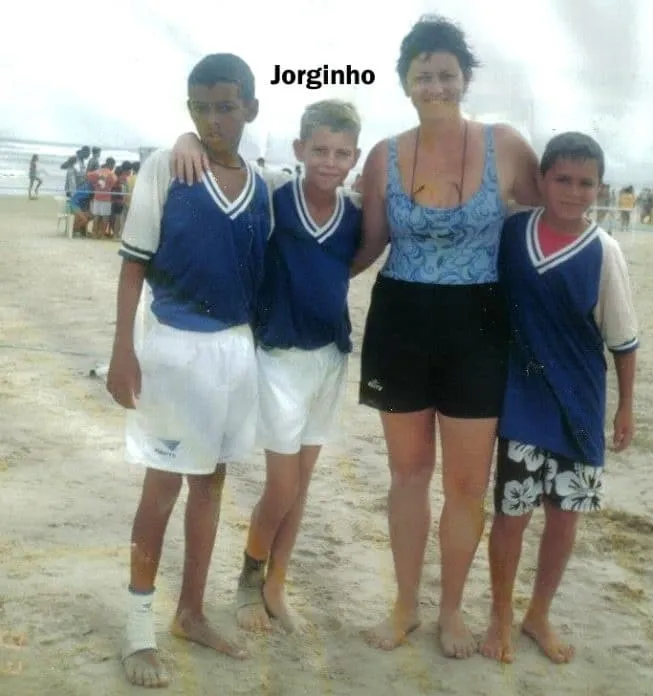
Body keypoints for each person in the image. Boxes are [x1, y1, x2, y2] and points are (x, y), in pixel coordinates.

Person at [349, 15, 541, 658]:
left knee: (464, 484)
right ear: (406, 82)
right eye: (423, 75)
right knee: (407, 474)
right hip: (400, 320)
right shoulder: (384, 155)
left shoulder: (506, 146)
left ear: (464, 79)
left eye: (447, 74)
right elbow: (369, 245)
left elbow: (546, 229)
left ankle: (452, 610)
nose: (436, 85)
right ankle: (405, 605)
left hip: (478, 324)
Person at [106, 52, 271, 688]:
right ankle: (137, 628)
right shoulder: (166, 168)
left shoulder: (264, 184)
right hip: (174, 348)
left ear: (251, 108)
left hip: (236, 350)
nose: (211, 120)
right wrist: (124, 348)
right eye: (199, 108)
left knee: (211, 483)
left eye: (225, 106)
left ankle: (192, 612)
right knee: (162, 487)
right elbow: (132, 264)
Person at [169, 99, 363, 634]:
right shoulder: (274, 195)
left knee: (301, 486)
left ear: (355, 157)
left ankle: (277, 584)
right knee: (281, 487)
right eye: (319, 150)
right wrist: (188, 141)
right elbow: (220, 161)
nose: (330, 161)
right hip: (278, 358)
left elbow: (356, 259)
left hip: (330, 358)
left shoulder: (353, 213)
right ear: (299, 150)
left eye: (342, 153)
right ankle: (248, 584)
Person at [480, 132, 638, 665]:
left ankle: (537, 613)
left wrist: (626, 405)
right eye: (563, 179)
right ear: (542, 180)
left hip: (581, 403)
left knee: (565, 517)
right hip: (521, 400)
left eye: (585, 182)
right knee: (512, 513)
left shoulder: (604, 251)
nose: (573, 191)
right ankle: (500, 613)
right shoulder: (510, 232)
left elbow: (622, 338)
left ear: (599, 187)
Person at [87, 157, 117, 238]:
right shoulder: (111, 174)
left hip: (97, 197)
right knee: (105, 217)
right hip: (106, 198)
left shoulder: (98, 171)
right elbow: (114, 182)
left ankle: (94, 233)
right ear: (111, 164)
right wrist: (108, 186)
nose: (113, 167)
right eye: (113, 165)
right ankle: (102, 234)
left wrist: (95, 184)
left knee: (96, 215)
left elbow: (88, 175)